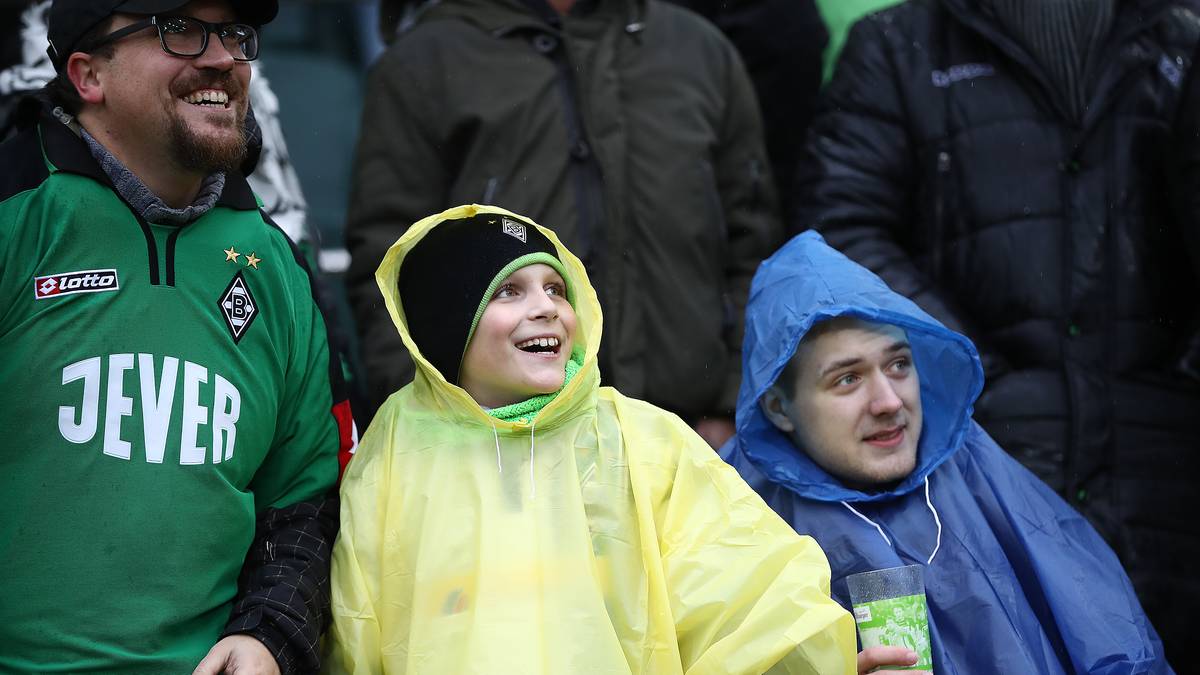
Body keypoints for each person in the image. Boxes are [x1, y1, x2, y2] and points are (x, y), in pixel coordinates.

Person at [791, 0, 1200, 660]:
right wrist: (963, 367)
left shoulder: (1181, 43)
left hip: (1163, 454)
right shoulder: (900, 46)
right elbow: (843, 229)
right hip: (973, 453)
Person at [326, 204, 856, 674]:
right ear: (448, 324)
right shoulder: (396, 452)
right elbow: (358, 627)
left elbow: (747, 595)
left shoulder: (640, 442)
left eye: (556, 288)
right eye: (509, 291)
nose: (547, 308)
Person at [0, 0, 354, 671]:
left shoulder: (273, 264)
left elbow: (308, 496)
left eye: (234, 34)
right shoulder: (16, 217)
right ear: (87, 74)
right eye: (179, 30)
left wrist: (269, 633)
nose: (223, 57)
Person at [720, 232, 1172, 673]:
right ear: (779, 407)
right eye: (848, 379)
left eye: (899, 364)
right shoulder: (736, 517)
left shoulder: (970, 462)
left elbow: (1115, 644)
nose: (890, 402)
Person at [347, 0, 783, 448]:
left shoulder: (698, 49)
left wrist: (734, 410)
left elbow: (755, 251)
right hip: (502, 452)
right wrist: (446, 436)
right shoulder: (428, 60)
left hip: (695, 441)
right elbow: (390, 273)